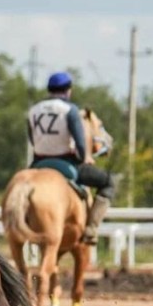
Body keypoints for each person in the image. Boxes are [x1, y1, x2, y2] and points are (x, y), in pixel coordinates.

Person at [28, 72, 116, 244]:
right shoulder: (70, 110)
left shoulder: (33, 110)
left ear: (49, 90)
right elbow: (81, 143)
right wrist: (84, 158)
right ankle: (91, 228)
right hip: (66, 163)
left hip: (37, 164)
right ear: (68, 90)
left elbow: (32, 139)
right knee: (108, 182)